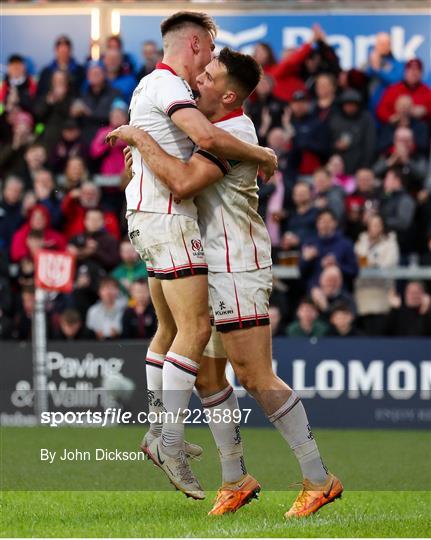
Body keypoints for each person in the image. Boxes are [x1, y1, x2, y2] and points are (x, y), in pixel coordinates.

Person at [110, 46, 341, 518]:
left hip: (237, 266)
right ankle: (235, 477)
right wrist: (137, 156)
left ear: (229, 93)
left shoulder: (232, 132)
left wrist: (139, 137)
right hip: (210, 266)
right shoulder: (208, 130)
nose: (199, 78)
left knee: (255, 376)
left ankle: (319, 478)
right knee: (209, 378)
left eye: (210, 75)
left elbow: (182, 183)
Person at [107, 11, 276, 501]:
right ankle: (169, 442)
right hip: (168, 218)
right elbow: (203, 140)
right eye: (208, 57)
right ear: (197, 43)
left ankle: (162, 433)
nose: (204, 74)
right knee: (196, 330)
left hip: (147, 216)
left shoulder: (145, 87)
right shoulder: (170, 87)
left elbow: (185, 142)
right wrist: (262, 154)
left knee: (169, 329)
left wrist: (139, 143)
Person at [354, 214, 399, 335]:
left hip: (382, 293)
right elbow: (357, 262)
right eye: (372, 225)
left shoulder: (390, 243)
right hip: (363, 293)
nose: (375, 228)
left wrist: (370, 263)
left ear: (383, 227)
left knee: (379, 331)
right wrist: (368, 262)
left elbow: (389, 264)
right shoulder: (361, 241)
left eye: (378, 225)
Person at [329, 89, 376, 174]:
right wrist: (335, 146)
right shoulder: (335, 119)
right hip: (338, 168)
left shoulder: (366, 119)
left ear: (358, 105)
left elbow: (370, 144)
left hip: (360, 166)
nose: (350, 107)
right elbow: (327, 141)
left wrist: (365, 165)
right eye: (347, 104)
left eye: (352, 104)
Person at [376, 59, 431, 124]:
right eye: (410, 70)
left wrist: (426, 111)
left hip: (418, 128)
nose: (414, 73)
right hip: (395, 127)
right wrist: (392, 118)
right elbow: (381, 110)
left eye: (417, 70)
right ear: (405, 72)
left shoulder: (427, 91)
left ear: (421, 73)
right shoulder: (393, 89)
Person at [34, 70, 75, 153]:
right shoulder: (45, 97)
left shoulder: (72, 98)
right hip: (45, 137)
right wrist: (48, 104)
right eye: (55, 81)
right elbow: (38, 117)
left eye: (61, 81)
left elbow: (70, 117)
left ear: (66, 83)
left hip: (65, 138)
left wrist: (60, 100)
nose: (58, 84)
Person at [68, 208, 120, 272]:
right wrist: (75, 253)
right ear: (85, 221)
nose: (94, 222)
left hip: (101, 276)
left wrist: (95, 251)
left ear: (103, 222)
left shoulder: (110, 240)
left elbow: (114, 262)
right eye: (91, 219)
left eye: (97, 219)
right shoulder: (76, 238)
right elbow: (67, 258)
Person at [378, 168, 416, 257]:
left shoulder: (405, 199)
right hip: (385, 245)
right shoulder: (386, 197)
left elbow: (403, 222)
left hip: (401, 250)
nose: (385, 181)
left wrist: (381, 222)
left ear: (397, 181)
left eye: (387, 178)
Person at [281, 181, 318, 251]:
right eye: (298, 194)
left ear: (310, 194)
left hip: (310, 255)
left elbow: (321, 235)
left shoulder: (317, 213)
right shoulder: (290, 216)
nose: (300, 195)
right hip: (292, 255)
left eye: (303, 193)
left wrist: (299, 241)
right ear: (293, 196)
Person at [0, 176, 24, 250]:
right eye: (11, 190)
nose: (14, 193)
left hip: (14, 250)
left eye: (17, 191)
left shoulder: (22, 211)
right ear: (4, 190)